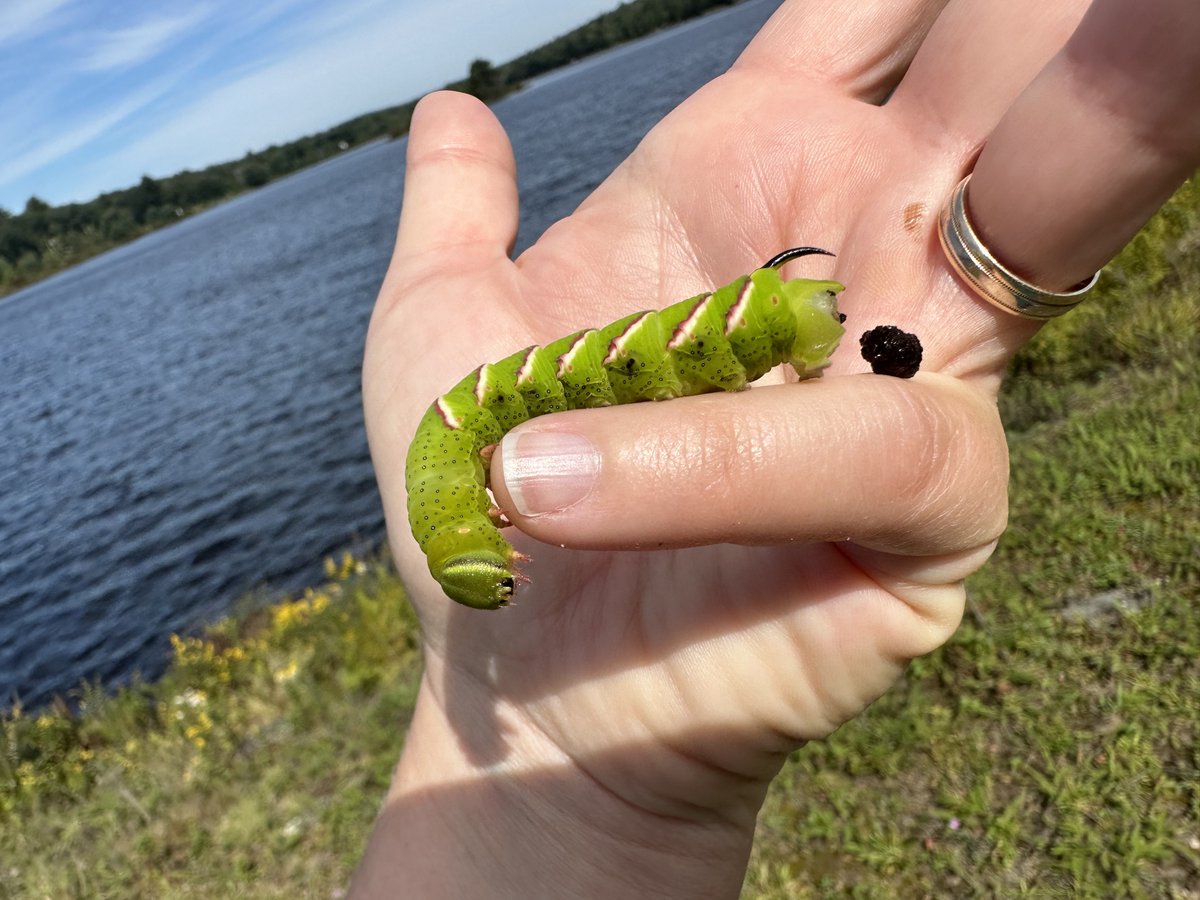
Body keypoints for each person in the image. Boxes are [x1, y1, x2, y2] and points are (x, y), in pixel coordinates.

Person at [353, 0, 1199, 895]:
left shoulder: (471, 424)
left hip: (746, 322)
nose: (505, 545)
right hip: (752, 330)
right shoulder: (475, 437)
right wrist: (585, 796)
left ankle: (786, 322)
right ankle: (790, 323)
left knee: (639, 363)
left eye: (479, 539)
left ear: (467, 510)